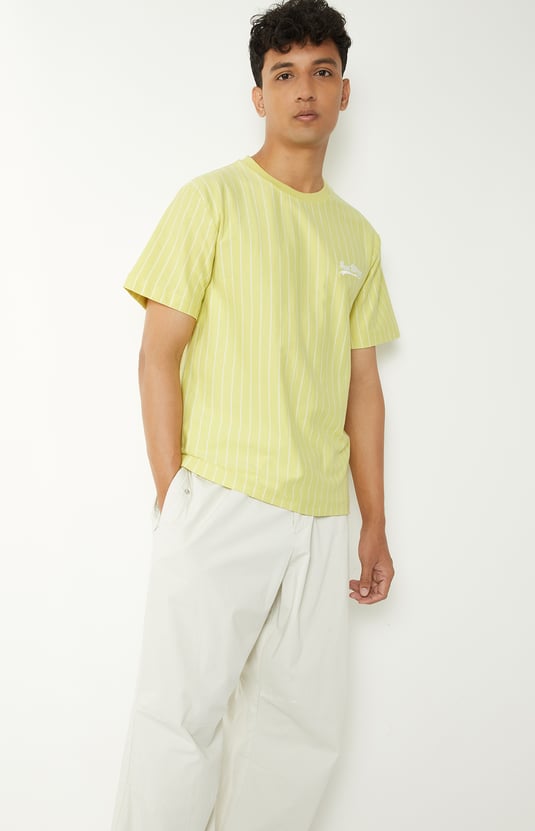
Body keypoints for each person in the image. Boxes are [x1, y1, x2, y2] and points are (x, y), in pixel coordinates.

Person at [110, 1, 400, 828]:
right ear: (258, 95)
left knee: (298, 735)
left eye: (321, 71)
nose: (303, 89)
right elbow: (156, 354)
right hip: (220, 496)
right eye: (284, 73)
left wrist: (372, 520)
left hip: (318, 514)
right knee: (179, 720)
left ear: (344, 91)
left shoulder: (357, 236)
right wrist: (175, 495)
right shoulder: (210, 201)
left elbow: (362, 383)